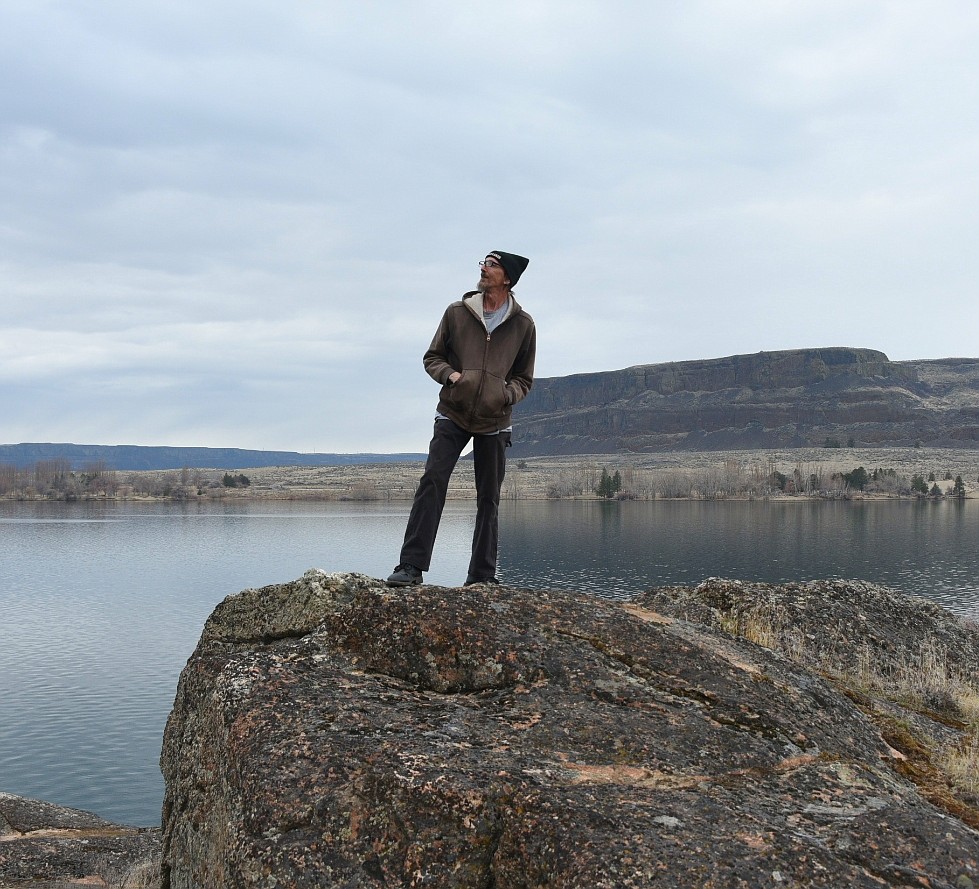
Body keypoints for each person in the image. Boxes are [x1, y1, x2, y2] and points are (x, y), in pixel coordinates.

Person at [386, 250, 536, 587]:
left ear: (507, 278)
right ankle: (410, 566)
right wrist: (453, 377)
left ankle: (481, 577)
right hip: (452, 412)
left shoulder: (523, 325)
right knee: (432, 483)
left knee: (489, 498)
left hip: (495, 421)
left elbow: (524, 378)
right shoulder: (457, 313)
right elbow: (433, 357)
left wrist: (506, 394)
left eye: (492, 265)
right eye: (483, 263)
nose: (484, 269)